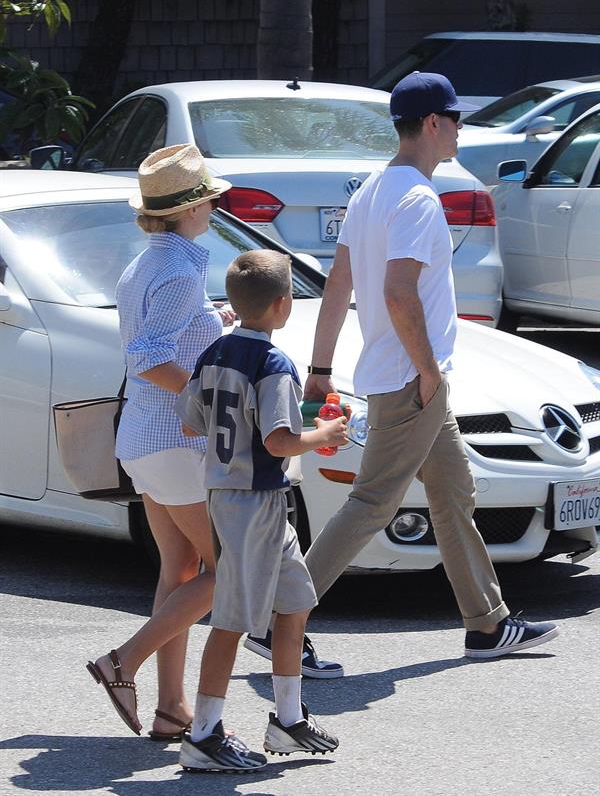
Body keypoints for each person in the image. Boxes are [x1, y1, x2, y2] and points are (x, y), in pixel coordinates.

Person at [299, 72, 558, 659]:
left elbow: (339, 281)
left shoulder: (370, 190)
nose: (462, 131)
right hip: (410, 379)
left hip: (410, 377)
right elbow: (397, 292)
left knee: (452, 491)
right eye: (457, 120)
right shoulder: (416, 197)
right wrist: (428, 369)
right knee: (373, 502)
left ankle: (487, 623)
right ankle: (279, 616)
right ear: (435, 124)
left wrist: (320, 365)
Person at [173, 250, 346, 771]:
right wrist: (323, 434)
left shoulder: (214, 353)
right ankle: (203, 734)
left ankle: (288, 720)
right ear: (282, 305)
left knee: (294, 603)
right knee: (233, 620)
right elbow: (277, 441)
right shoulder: (273, 363)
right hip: (252, 502)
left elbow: (189, 423)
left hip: (246, 499)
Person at [86, 144, 236, 738]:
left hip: (146, 439)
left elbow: (161, 341)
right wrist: (208, 396)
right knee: (234, 572)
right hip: (174, 440)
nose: (217, 205)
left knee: (180, 571)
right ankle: (123, 661)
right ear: (194, 206)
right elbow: (148, 356)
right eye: (211, 198)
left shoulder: (149, 262)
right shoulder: (177, 269)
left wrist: (211, 324)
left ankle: (171, 710)